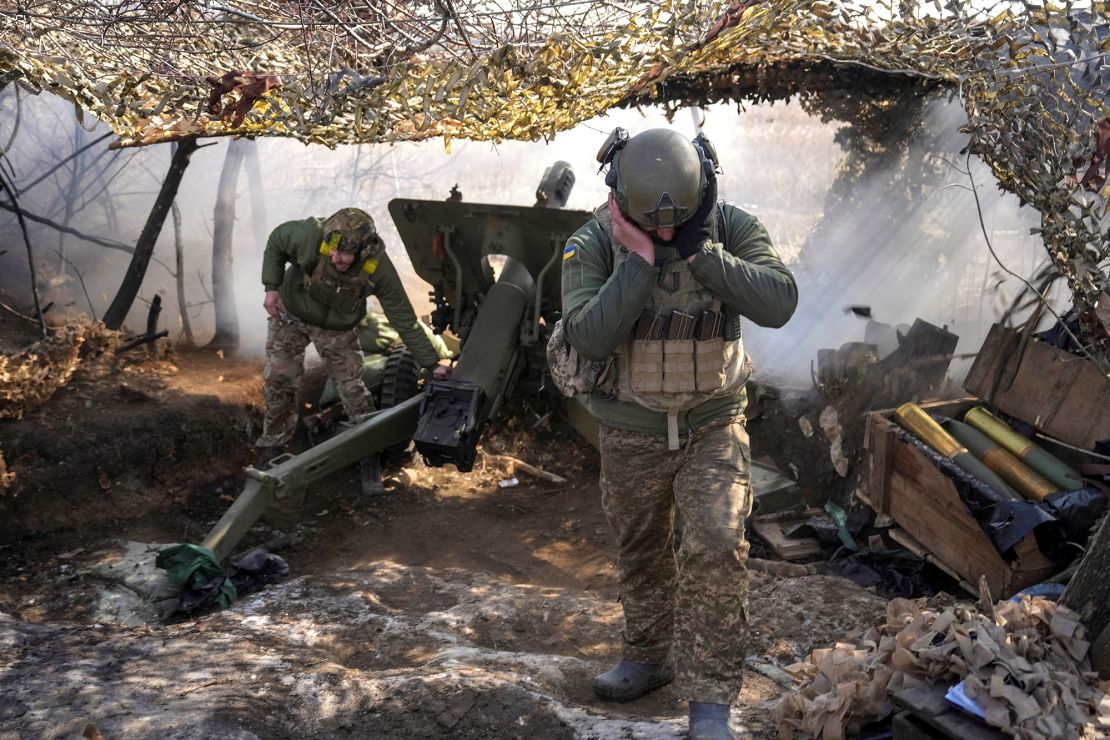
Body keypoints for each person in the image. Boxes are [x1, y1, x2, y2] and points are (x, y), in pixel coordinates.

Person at [556, 128, 797, 739]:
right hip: (630, 429)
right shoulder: (593, 240)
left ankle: (711, 700)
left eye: (677, 222)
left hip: (713, 421)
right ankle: (646, 655)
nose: (665, 234)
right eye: (652, 225)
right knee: (641, 549)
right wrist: (637, 260)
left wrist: (703, 255)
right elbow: (587, 336)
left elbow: (779, 302)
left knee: (716, 544)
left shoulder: (731, 226)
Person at [256, 207, 447, 493]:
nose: (336, 259)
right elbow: (276, 242)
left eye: (345, 254)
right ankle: (272, 450)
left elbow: (404, 321)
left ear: (364, 250)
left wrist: (432, 364)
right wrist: (271, 286)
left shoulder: (379, 269)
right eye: (332, 251)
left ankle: (367, 456)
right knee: (279, 379)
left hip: (336, 328)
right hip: (292, 315)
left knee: (353, 391)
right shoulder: (307, 235)